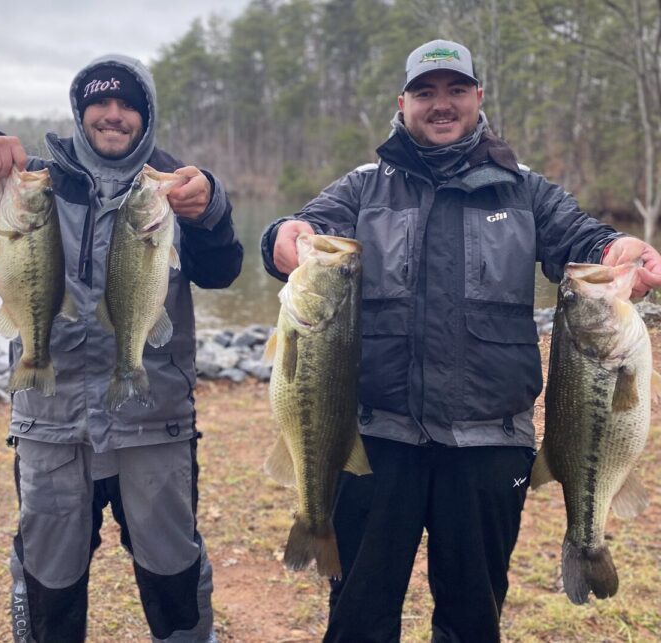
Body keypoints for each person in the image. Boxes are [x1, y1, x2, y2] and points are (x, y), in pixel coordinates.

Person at [261, 39, 661, 642]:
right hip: (375, 439)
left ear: (478, 97)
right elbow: (300, 231)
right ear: (403, 102)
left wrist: (620, 253)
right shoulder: (364, 187)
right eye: (426, 92)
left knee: (473, 618)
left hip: (490, 445)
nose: (440, 104)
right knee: (359, 616)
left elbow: (585, 241)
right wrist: (284, 236)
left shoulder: (526, 192)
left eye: (454, 90)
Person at [0, 54, 242, 642]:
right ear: (80, 113)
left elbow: (222, 272)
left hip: (153, 423)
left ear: (147, 115)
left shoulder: (176, 186)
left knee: (174, 573)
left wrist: (212, 212)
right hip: (50, 423)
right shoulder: (28, 180)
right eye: (99, 104)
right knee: (49, 579)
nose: (113, 115)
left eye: (127, 104)